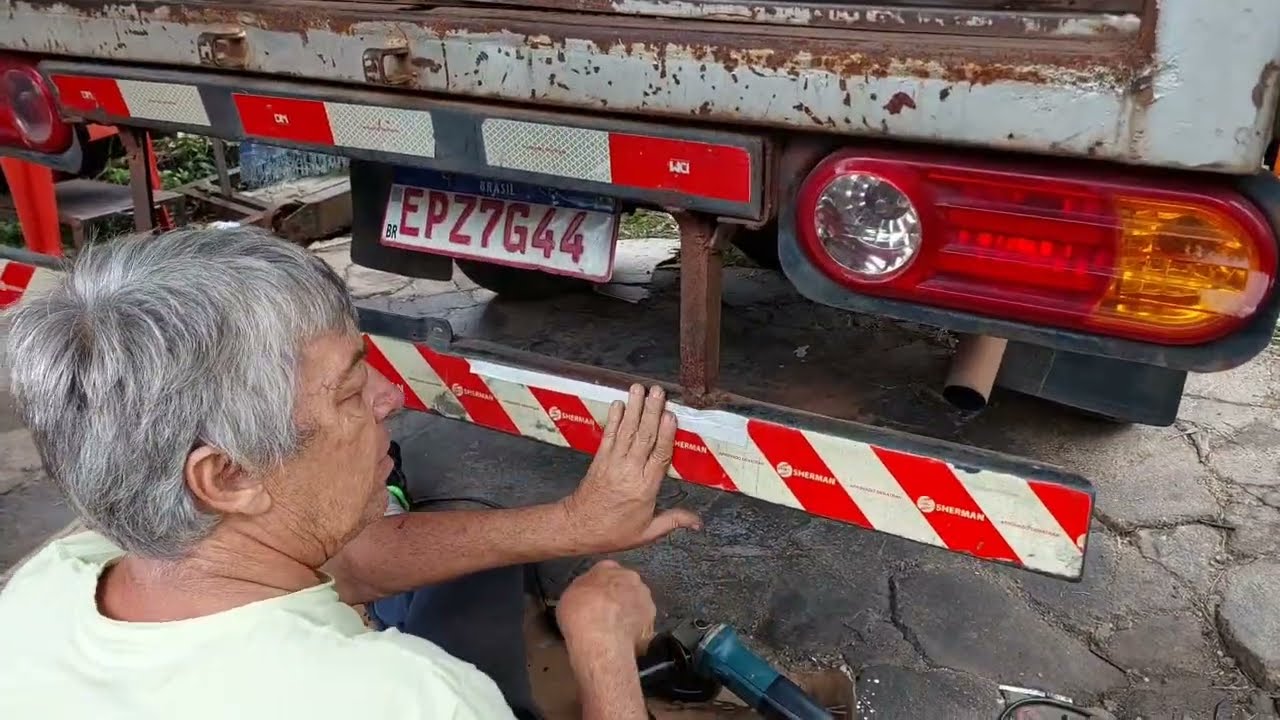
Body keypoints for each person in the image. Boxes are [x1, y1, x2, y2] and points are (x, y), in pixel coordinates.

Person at [0, 226, 702, 719]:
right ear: (228, 476)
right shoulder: (410, 699)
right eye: (347, 391)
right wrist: (603, 648)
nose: (389, 399)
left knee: (479, 574)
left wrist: (575, 524)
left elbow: (352, 566)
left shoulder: (48, 585)